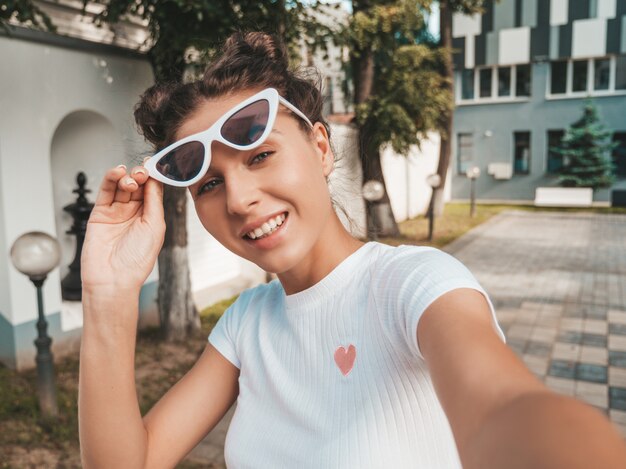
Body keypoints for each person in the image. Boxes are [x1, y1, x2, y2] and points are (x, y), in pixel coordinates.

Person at [78, 32, 626, 469]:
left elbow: (504, 412)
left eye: (260, 156)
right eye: (210, 185)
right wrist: (108, 292)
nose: (241, 199)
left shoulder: (415, 285)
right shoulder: (247, 325)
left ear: (320, 147)